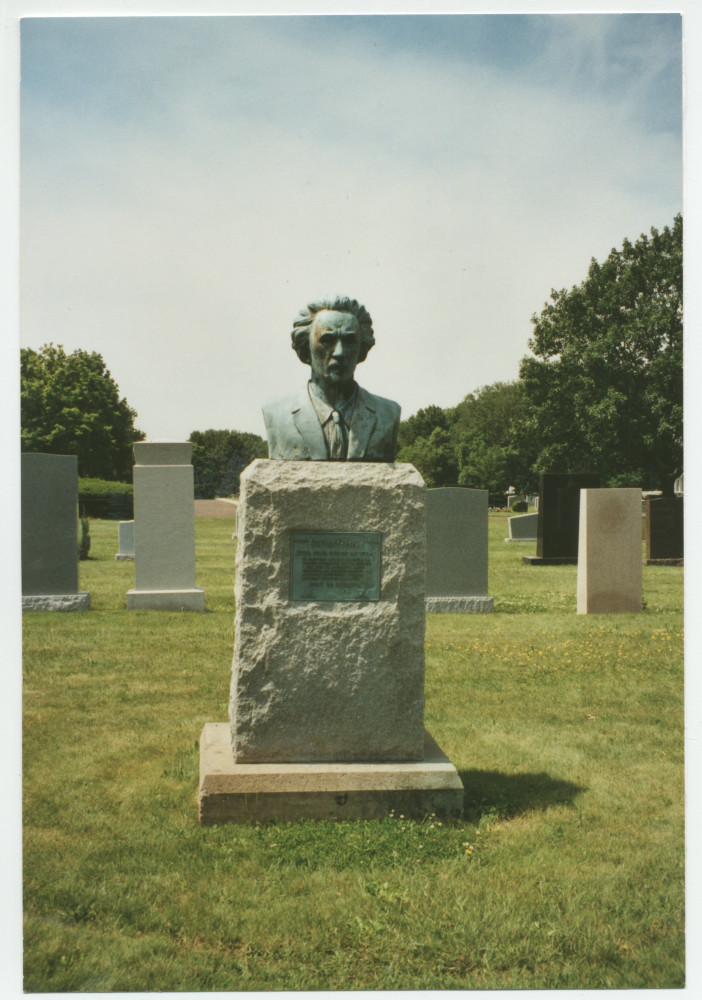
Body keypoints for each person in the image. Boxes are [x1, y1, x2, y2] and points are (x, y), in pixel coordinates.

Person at [262, 295, 400, 461]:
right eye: (327, 340)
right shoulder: (276, 413)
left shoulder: (387, 414)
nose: (339, 352)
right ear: (305, 347)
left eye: (349, 341)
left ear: (361, 348)